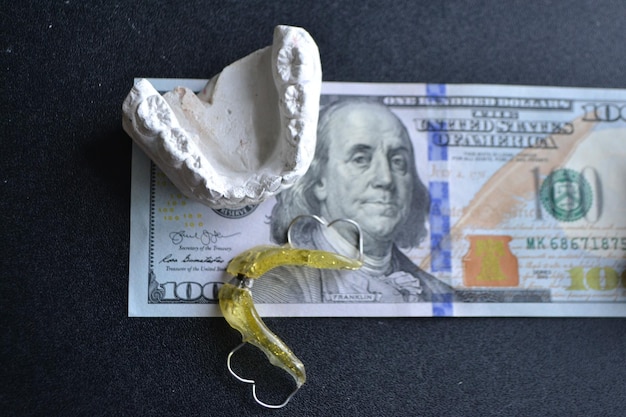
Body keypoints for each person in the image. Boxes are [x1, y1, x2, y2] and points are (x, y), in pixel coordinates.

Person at [253, 100, 452, 303]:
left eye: (398, 161)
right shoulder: (278, 286)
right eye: (360, 159)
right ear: (319, 179)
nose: (385, 179)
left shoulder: (439, 294)